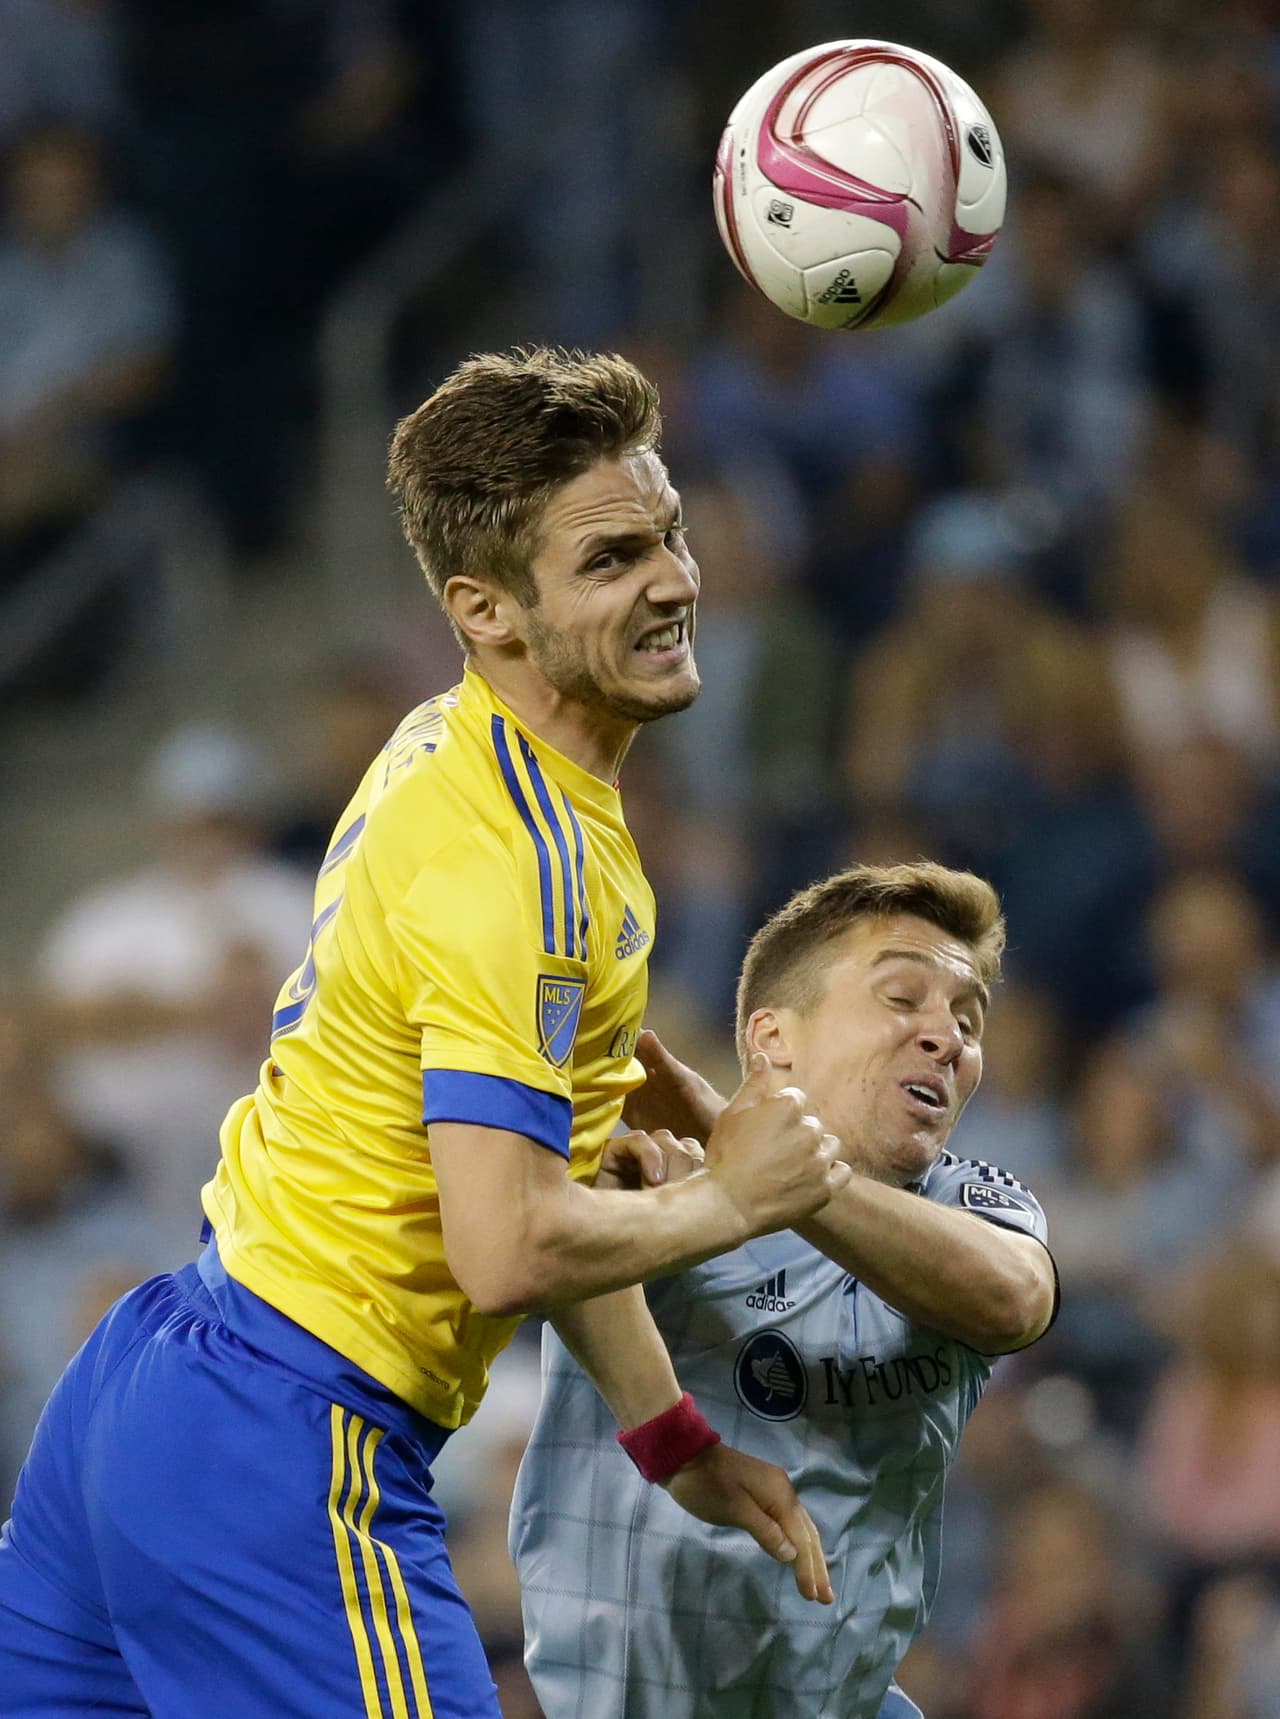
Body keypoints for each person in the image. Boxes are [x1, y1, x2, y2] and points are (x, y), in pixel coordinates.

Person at [0, 347, 851, 1718]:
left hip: (155, 1385)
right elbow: (506, 1244)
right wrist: (732, 1199)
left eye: (672, 531)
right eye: (613, 559)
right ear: (486, 608)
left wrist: (668, 1430)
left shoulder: (455, 754)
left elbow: (537, 1188)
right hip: (290, 1446)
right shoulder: (523, 865)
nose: (676, 581)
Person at [512, 860, 1060, 1719]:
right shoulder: (665, 1187)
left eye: (967, 1019)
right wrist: (684, 1174)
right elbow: (541, 1251)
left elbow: (1012, 1300)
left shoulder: (973, 1204)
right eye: (901, 997)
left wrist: (772, 1162)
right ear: (773, 1039)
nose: (947, 1036)